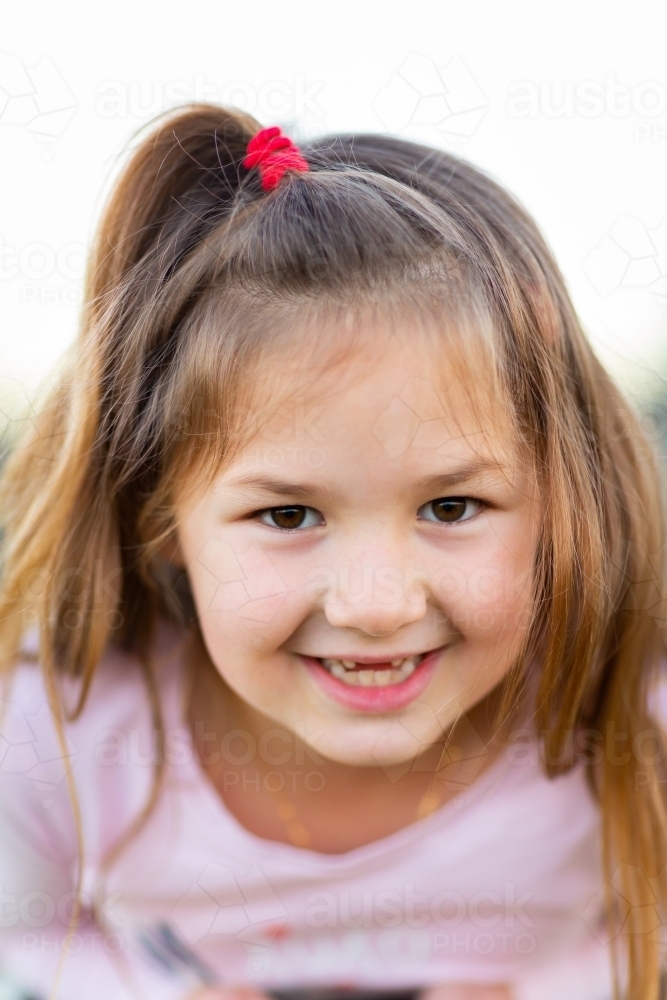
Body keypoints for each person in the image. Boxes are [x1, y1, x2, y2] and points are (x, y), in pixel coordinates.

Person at [0, 105, 665, 1000]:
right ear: (162, 516)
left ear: (558, 501)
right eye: (286, 517)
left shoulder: (629, 712)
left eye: (452, 504)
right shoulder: (63, 725)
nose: (377, 603)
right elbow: (25, 938)